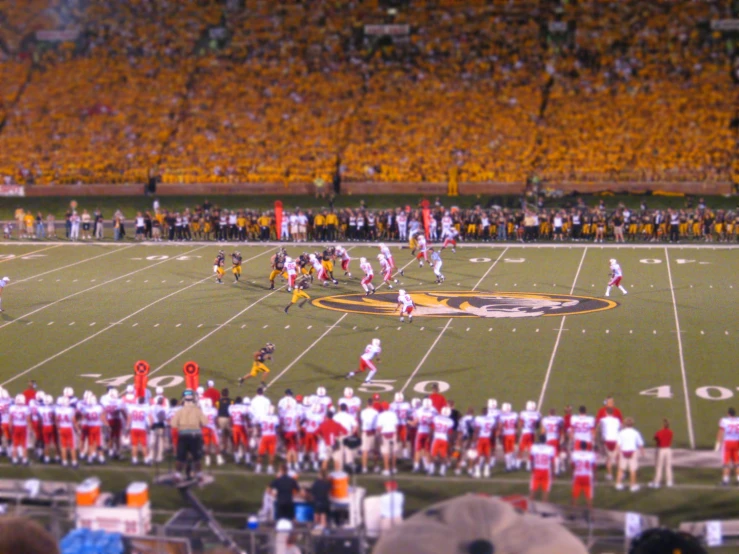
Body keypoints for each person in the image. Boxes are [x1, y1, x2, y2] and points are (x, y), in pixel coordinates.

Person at [170, 389, 209, 480]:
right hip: (195, 435)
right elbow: (205, 422)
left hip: (183, 435)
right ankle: (199, 475)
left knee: (180, 457)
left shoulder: (179, 411)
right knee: (196, 457)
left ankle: (177, 475)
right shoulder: (197, 410)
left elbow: (173, 424)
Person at [615, 417, 645, 492]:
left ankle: (618, 484)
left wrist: (617, 453)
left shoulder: (621, 433)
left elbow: (618, 444)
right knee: (633, 470)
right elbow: (640, 444)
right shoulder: (635, 432)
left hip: (623, 451)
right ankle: (633, 486)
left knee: (621, 469)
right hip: (632, 452)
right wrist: (642, 452)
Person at [716, 407, 739, 486]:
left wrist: (718, 443)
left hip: (728, 443)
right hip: (737, 443)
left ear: (728, 413)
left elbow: (721, 432)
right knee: (737, 462)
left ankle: (725, 480)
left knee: (726, 463)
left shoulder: (724, 421)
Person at [571, 441, 596, 510]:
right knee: (589, 497)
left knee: (575, 496)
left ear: (580, 446)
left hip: (578, 475)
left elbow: (573, 465)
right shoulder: (591, 455)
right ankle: (591, 515)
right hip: (587, 476)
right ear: (587, 447)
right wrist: (595, 477)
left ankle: (573, 513)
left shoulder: (575, 454)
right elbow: (593, 467)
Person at [650, 418, 674, 488]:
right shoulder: (670, 432)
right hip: (668, 449)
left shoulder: (659, 432)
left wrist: (656, 434)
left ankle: (657, 481)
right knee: (668, 466)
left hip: (661, 450)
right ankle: (669, 481)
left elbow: (656, 439)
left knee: (659, 466)